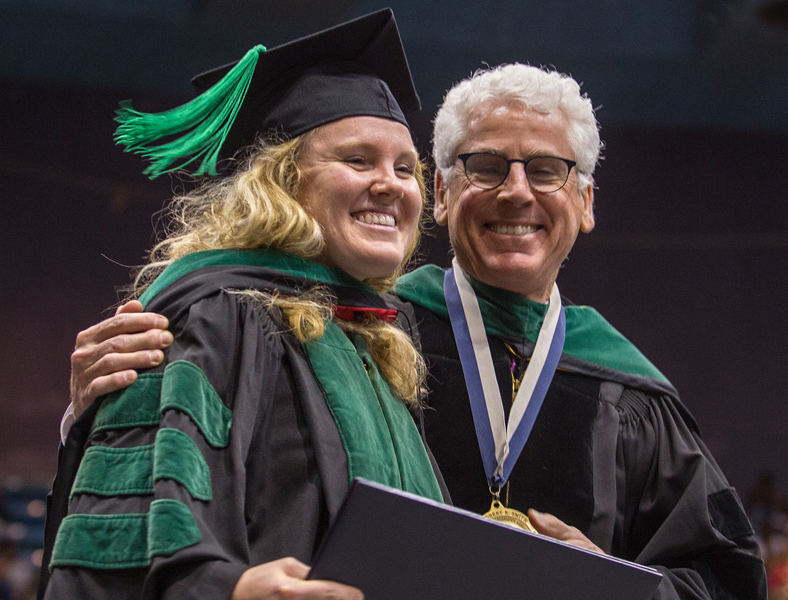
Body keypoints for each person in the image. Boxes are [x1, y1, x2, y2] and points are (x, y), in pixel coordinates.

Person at [64, 64, 767, 598]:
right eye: (486, 166)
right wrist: (99, 408)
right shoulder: (338, 327)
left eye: (547, 171)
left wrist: (612, 585)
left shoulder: (633, 393)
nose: (516, 192)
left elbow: (721, 576)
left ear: (584, 202)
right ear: (444, 193)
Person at [38, 9, 446, 600]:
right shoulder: (215, 313)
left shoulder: (380, 341)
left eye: (406, 168)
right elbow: (136, 530)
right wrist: (231, 589)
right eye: (357, 160)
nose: (392, 184)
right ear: (281, 180)